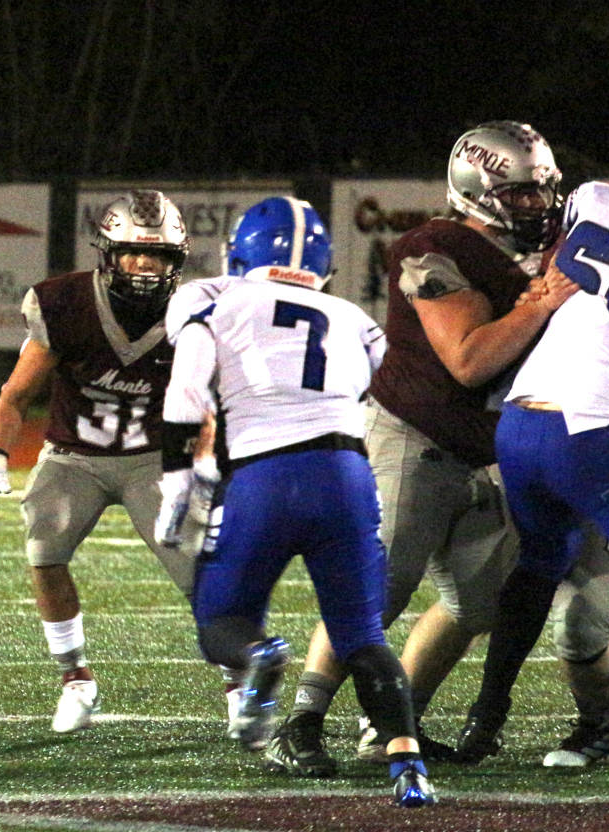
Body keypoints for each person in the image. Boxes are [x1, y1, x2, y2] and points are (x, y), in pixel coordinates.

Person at [266, 121, 574, 775]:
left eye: (544, 191)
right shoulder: (431, 247)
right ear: (479, 190)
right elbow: (466, 360)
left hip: (487, 454)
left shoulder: (542, 255)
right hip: (413, 440)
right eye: (520, 194)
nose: (538, 206)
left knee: (479, 606)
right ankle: (300, 722)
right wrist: (539, 305)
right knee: (375, 590)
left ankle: (389, 725)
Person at [155, 195, 437, 808]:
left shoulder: (214, 299)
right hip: (347, 473)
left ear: (240, 250)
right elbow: (388, 393)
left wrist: (179, 477)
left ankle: (260, 658)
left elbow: (184, 393)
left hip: (264, 474)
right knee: (363, 634)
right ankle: (408, 765)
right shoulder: (349, 314)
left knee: (221, 620)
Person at [0, 189, 222, 733]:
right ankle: (75, 679)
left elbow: (206, 407)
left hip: (153, 457)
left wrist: (202, 471)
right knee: (44, 544)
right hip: (75, 456)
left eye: (156, 255)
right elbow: (15, 395)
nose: (144, 265)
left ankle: (237, 684)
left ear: (176, 261)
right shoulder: (65, 303)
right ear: (108, 254)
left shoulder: (195, 314)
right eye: (133, 252)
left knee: (199, 569)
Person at [457, 180, 609, 762]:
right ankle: (598, 725)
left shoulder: (595, 196)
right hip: (589, 427)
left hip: (521, 423)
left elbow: (552, 258)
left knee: (540, 565)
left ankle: (485, 717)